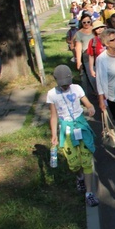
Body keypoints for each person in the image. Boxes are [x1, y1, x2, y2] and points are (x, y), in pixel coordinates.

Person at [47, 65, 99, 207]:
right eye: (62, 84)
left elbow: (87, 103)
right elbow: (53, 116)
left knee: (87, 161)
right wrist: (54, 135)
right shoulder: (52, 94)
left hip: (81, 127)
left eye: (67, 84)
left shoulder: (77, 89)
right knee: (74, 163)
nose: (65, 87)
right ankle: (79, 176)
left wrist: (91, 108)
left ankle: (89, 193)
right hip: (67, 129)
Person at [74, 14, 97, 99]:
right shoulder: (79, 33)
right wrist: (79, 61)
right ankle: (98, 95)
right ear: (81, 23)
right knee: (92, 77)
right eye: (84, 22)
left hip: (97, 54)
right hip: (87, 55)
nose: (86, 24)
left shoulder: (95, 30)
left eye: (88, 22)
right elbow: (78, 48)